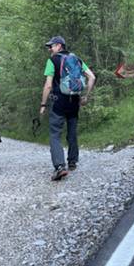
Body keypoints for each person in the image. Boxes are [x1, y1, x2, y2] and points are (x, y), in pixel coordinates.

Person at [40, 36, 95, 181]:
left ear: (59, 46)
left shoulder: (52, 61)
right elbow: (92, 77)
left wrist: (43, 104)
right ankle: (72, 161)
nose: (49, 49)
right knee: (72, 130)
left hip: (59, 102)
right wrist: (86, 96)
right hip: (74, 101)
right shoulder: (77, 59)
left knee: (55, 134)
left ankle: (59, 166)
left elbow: (48, 85)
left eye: (51, 46)